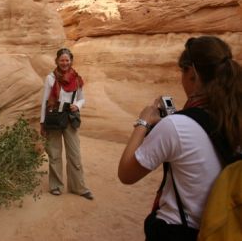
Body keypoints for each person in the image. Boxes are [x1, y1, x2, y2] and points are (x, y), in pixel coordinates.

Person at [118, 35, 242, 241]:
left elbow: (126, 174)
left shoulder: (176, 126)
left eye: (182, 73)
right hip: (223, 228)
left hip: (178, 231)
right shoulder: (234, 117)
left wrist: (143, 123)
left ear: (191, 73)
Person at [40, 48, 93, 200]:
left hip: (70, 117)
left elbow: (82, 98)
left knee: (74, 154)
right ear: (57, 61)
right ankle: (56, 186)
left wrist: (78, 105)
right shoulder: (50, 78)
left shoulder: (76, 79)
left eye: (67, 60)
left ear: (71, 61)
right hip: (54, 117)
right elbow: (44, 102)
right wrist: (42, 123)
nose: (64, 63)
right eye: (62, 60)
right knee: (55, 153)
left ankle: (78, 187)